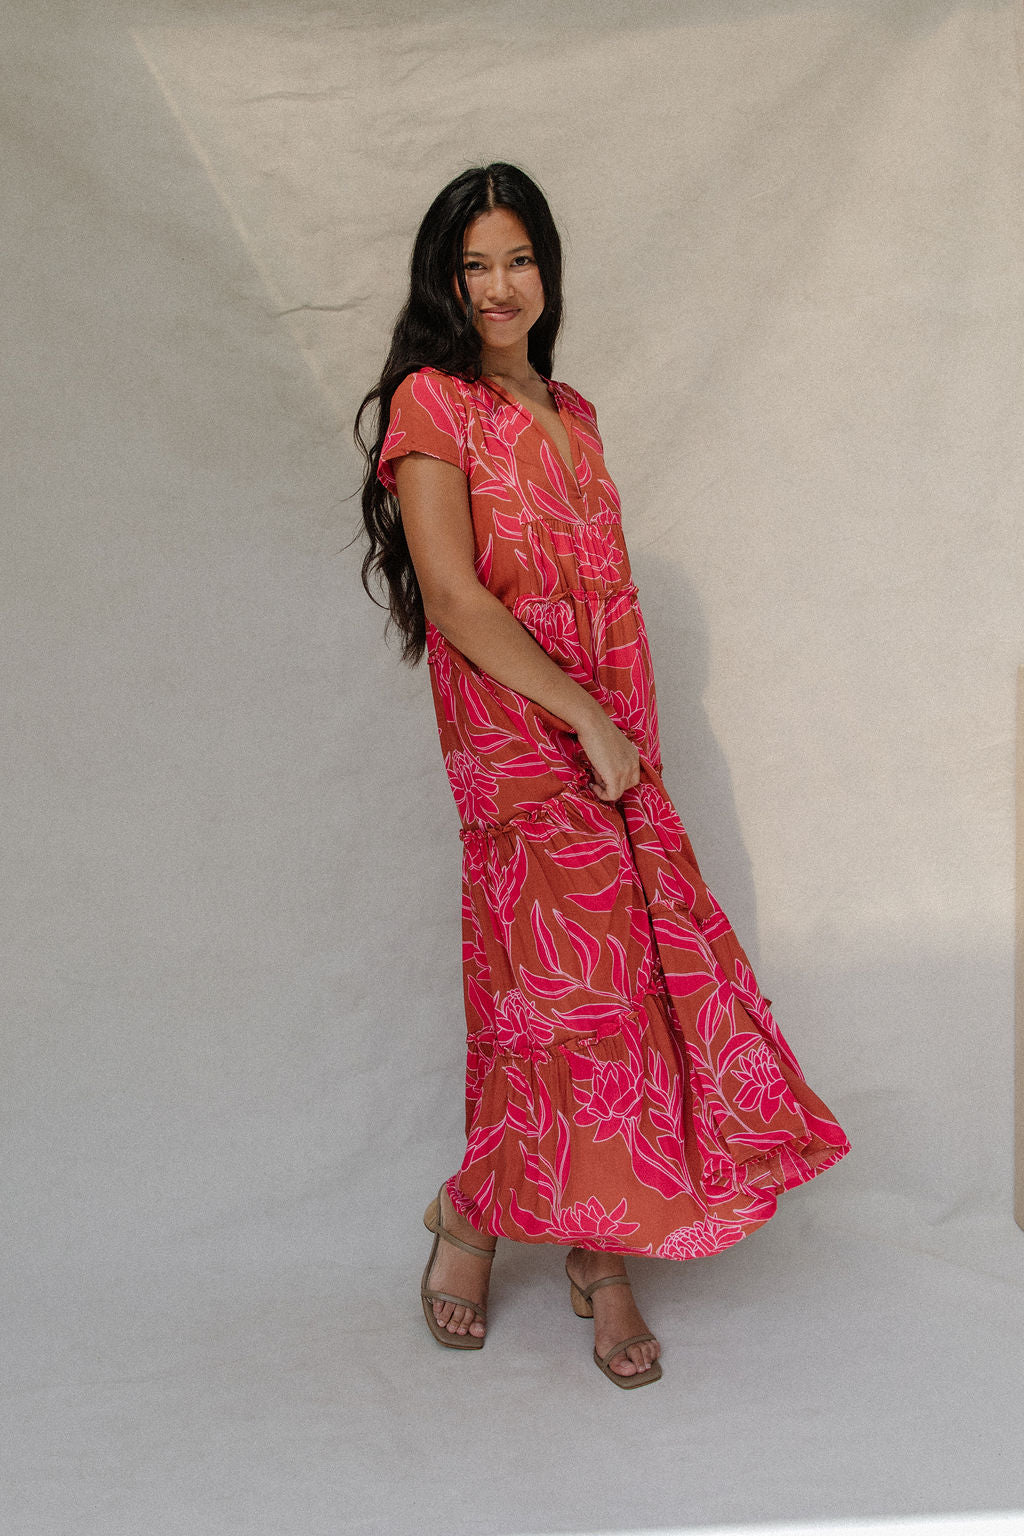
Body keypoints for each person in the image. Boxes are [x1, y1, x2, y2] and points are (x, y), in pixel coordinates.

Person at [355, 162, 851, 1389]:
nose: (498, 286)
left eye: (518, 258)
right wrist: (583, 718)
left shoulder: (572, 412)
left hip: (608, 746)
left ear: (548, 269)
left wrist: (621, 734)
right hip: (524, 749)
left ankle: (527, 1230)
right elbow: (459, 598)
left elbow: (601, 593)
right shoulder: (434, 403)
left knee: (605, 1002)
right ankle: (572, 1252)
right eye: (473, 265)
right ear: (444, 280)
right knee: (576, 1006)